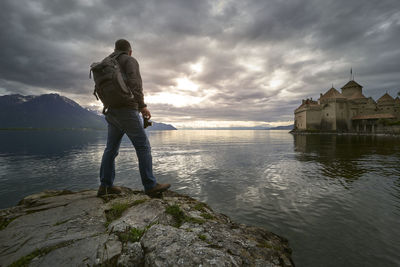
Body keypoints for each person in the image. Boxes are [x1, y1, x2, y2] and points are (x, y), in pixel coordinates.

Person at [97, 39, 170, 197]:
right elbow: (135, 83)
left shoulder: (106, 63)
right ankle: (150, 185)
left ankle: (105, 186)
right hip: (127, 110)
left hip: (111, 111)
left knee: (111, 149)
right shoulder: (129, 60)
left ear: (115, 49)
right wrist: (142, 105)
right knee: (143, 147)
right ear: (130, 51)